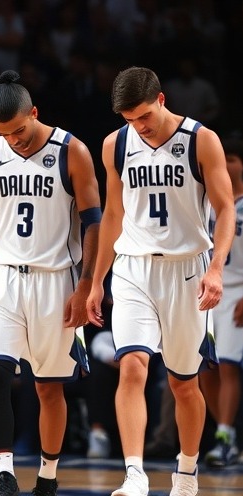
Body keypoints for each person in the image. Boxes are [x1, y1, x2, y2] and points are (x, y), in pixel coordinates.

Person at [86, 66, 235, 496]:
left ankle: (185, 474)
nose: (139, 126)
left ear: (162, 100)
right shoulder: (115, 145)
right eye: (129, 119)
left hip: (187, 268)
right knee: (131, 365)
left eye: (144, 116)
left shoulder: (201, 140)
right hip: (133, 268)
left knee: (183, 384)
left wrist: (216, 268)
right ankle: (134, 475)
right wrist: (97, 280)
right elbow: (113, 214)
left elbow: (225, 209)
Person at [0, 70, 101, 496]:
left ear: (34, 113)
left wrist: (87, 283)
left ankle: (48, 477)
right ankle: (4, 475)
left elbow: (94, 222)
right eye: (5, 133)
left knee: (48, 387)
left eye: (20, 130)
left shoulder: (72, 150)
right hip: (2, 280)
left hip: (56, 280)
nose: (14, 140)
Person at [201, 138, 243, 467]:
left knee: (227, 364)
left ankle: (226, 437)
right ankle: (224, 432)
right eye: (224, 158)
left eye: (233, 158)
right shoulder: (207, 199)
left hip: (237, 292)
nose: (227, 164)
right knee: (204, 369)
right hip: (207, 288)